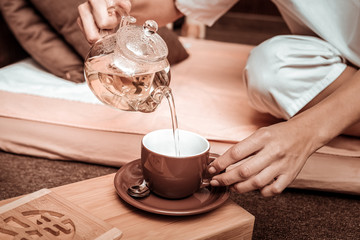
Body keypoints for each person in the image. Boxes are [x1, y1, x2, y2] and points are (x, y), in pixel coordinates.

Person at [78, 0, 360, 197]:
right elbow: (174, 4)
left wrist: (307, 131)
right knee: (270, 68)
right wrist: (113, 7)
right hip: (341, 58)